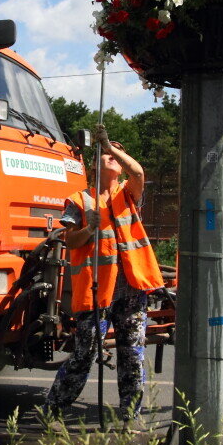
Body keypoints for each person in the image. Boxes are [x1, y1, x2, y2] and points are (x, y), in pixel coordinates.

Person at [44, 124, 164, 423]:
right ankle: (53, 411)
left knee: (132, 354)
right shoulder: (79, 200)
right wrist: (90, 227)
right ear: (95, 165)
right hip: (98, 290)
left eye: (118, 155)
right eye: (108, 155)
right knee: (85, 354)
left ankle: (129, 416)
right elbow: (70, 241)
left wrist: (110, 146)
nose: (114, 157)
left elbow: (138, 173)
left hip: (133, 288)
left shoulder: (128, 194)